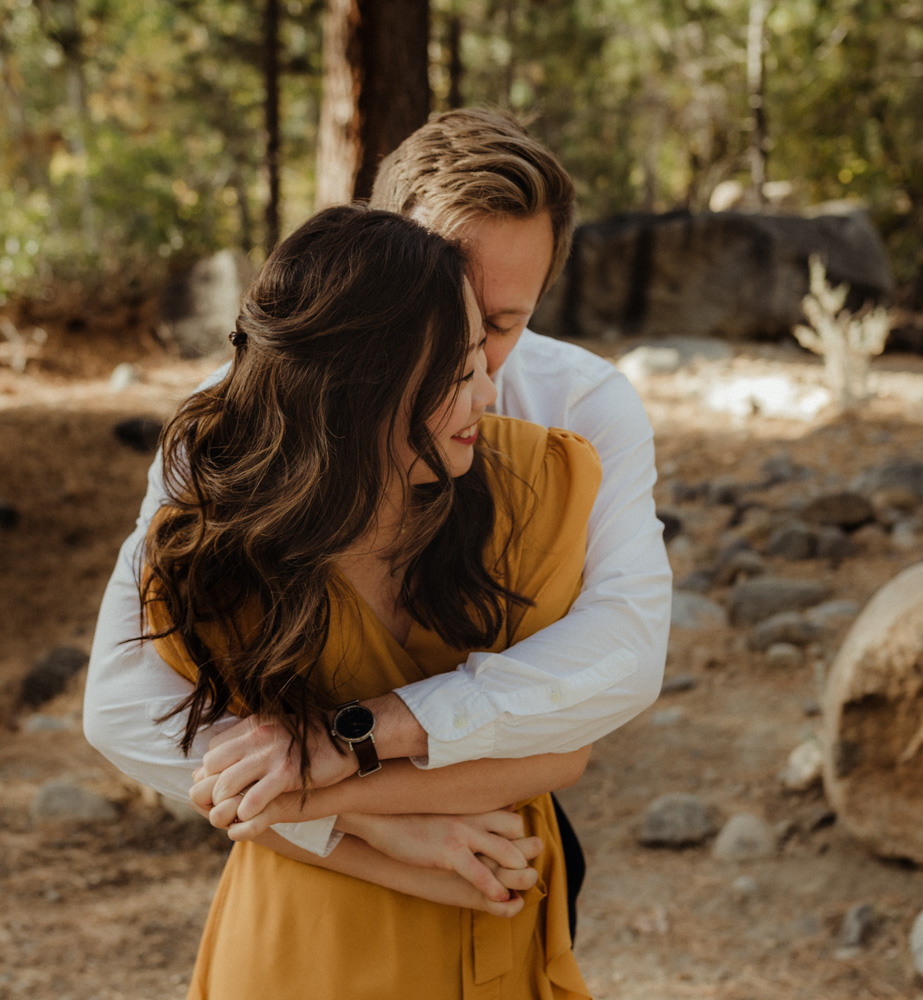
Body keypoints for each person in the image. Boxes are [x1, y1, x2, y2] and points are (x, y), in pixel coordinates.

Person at [84, 108, 672, 933]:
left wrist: (351, 738)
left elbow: (623, 655)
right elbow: (122, 704)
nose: (480, 362)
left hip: (504, 846)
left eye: (505, 323)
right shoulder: (233, 422)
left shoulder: (583, 408)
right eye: (444, 299)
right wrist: (363, 824)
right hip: (313, 879)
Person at [139, 204, 596, 997]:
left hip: (492, 904)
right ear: (366, 392)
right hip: (299, 944)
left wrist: (326, 768)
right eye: (459, 374)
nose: (492, 390)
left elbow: (563, 744)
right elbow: (231, 794)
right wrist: (392, 839)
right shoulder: (214, 552)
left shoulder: (535, 489)